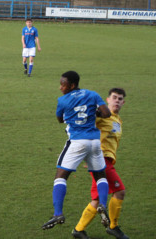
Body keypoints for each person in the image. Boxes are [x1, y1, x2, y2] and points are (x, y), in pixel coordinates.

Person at [42, 71, 112, 231]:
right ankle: (102, 204)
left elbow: (60, 120)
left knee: (60, 176)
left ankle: (58, 213)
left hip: (77, 142)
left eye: (63, 84)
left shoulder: (63, 100)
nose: (60, 88)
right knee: (100, 175)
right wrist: (94, 112)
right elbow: (107, 114)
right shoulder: (92, 94)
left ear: (72, 85)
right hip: (95, 142)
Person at [72, 88, 129, 239]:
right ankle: (113, 227)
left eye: (120, 98)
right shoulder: (102, 116)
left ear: (123, 102)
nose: (117, 100)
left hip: (103, 161)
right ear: (107, 100)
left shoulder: (117, 120)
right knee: (120, 191)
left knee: (96, 199)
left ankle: (78, 230)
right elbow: (85, 122)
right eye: (114, 97)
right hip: (101, 160)